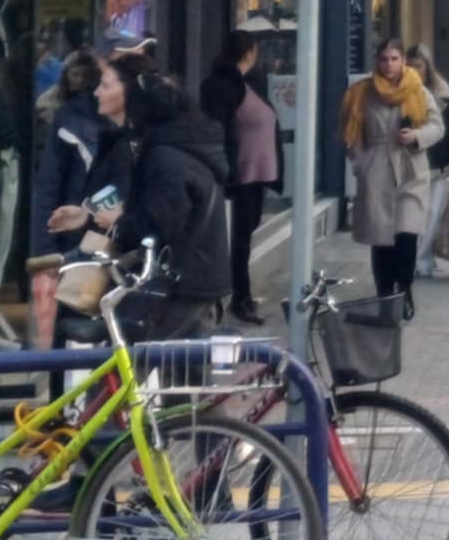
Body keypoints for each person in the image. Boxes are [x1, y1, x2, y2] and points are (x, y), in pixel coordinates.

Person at [52, 55, 230, 341]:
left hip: (176, 286)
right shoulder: (160, 146)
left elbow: (159, 217)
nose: (96, 91)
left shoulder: (159, 154)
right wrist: (90, 215)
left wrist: (120, 223)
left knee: (145, 373)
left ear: (131, 95)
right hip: (182, 280)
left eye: (105, 85)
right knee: (166, 376)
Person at [341, 40, 444, 319]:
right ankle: (385, 295)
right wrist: (361, 163)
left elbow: (437, 126)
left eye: (394, 58)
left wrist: (416, 137)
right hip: (377, 169)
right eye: (384, 58)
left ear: (403, 61)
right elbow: (350, 132)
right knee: (382, 239)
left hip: (410, 168)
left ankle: (405, 289)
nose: (389, 64)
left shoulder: (418, 90)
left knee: (406, 235)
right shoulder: (363, 92)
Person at [199, 29, 281, 325]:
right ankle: (238, 297)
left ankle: (238, 294)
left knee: (246, 233)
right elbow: (217, 128)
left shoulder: (253, 81)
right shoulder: (221, 85)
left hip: (257, 172)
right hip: (238, 173)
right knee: (237, 238)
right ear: (249, 51)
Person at [28, 49, 106, 346]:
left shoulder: (132, 124)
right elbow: (49, 186)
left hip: (106, 241)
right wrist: (44, 253)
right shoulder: (68, 118)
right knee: (73, 328)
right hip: (77, 241)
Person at [408, 45, 449, 278]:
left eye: (418, 65)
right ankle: (416, 259)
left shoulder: (441, 93)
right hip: (409, 165)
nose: (414, 70)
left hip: (438, 164)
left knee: (432, 214)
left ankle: (422, 260)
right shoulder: (399, 93)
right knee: (413, 214)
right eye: (410, 65)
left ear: (427, 68)